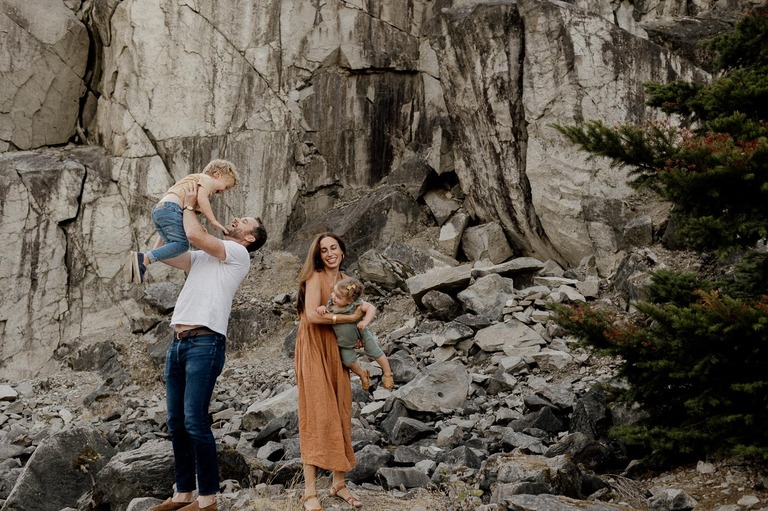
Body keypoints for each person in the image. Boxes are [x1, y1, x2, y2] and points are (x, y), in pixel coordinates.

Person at [147, 188, 267, 511]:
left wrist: (189, 206)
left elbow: (196, 236)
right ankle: (183, 494)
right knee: (175, 421)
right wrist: (165, 222)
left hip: (205, 342)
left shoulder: (238, 254)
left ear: (250, 238)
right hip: (178, 342)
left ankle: (208, 499)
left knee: (194, 420)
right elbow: (167, 254)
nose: (236, 219)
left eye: (244, 221)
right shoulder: (205, 257)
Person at [294, 233, 365, 511]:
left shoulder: (347, 281)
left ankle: (339, 484)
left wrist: (355, 334)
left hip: (336, 348)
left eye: (334, 248)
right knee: (317, 413)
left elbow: (357, 313)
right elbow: (313, 315)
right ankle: (309, 491)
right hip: (313, 346)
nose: (330, 253)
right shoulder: (315, 277)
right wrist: (345, 318)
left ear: (342, 252)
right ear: (318, 255)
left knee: (341, 408)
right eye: (324, 250)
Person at [128, 159, 239, 284]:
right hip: (172, 209)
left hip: (159, 210)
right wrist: (213, 220)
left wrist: (198, 226)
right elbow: (202, 198)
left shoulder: (193, 183)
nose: (223, 191)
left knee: (171, 247)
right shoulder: (206, 179)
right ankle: (144, 258)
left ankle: (141, 264)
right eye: (226, 186)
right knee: (182, 245)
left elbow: (187, 216)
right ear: (217, 174)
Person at [317, 277, 394, 391]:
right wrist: (322, 308)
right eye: (333, 292)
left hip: (361, 334)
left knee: (375, 352)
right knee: (348, 362)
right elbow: (323, 315)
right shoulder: (330, 305)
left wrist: (365, 321)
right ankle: (362, 374)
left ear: (349, 301)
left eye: (338, 297)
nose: (333, 296)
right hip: (344, 342)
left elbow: (371, 308)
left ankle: (387, 373)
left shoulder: (355, 305)